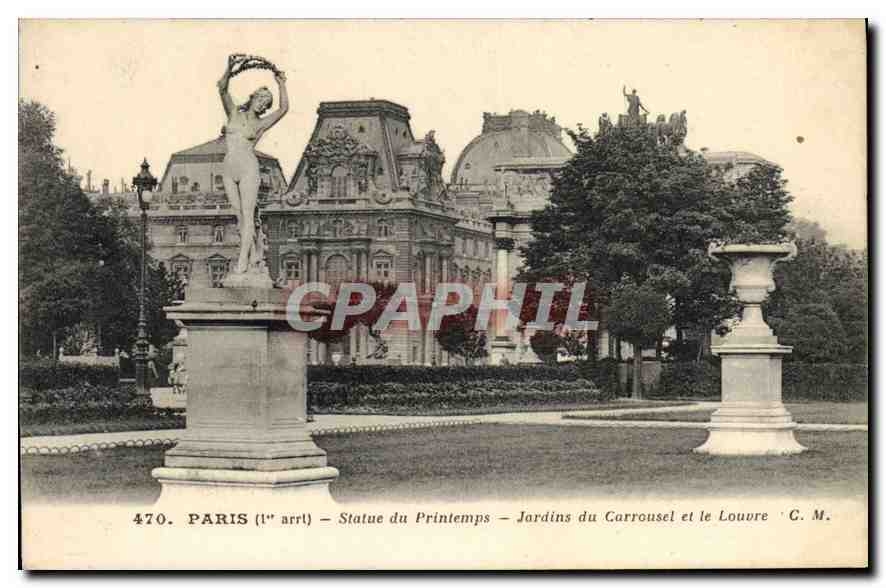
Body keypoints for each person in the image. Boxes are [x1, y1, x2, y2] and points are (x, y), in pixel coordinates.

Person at [217, 59, 289, 275]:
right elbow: (221, 88)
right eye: (260, 99)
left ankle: (242, 261)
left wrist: (281, 83)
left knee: (247, 216)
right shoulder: (233, 113)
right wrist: (229, 69)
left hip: (248, 168)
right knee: (238, 215)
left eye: (266, 103)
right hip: (229, 167)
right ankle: (255, 253)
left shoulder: (260, 124)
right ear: (253, 97)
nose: (262, 104)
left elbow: (284, 109)